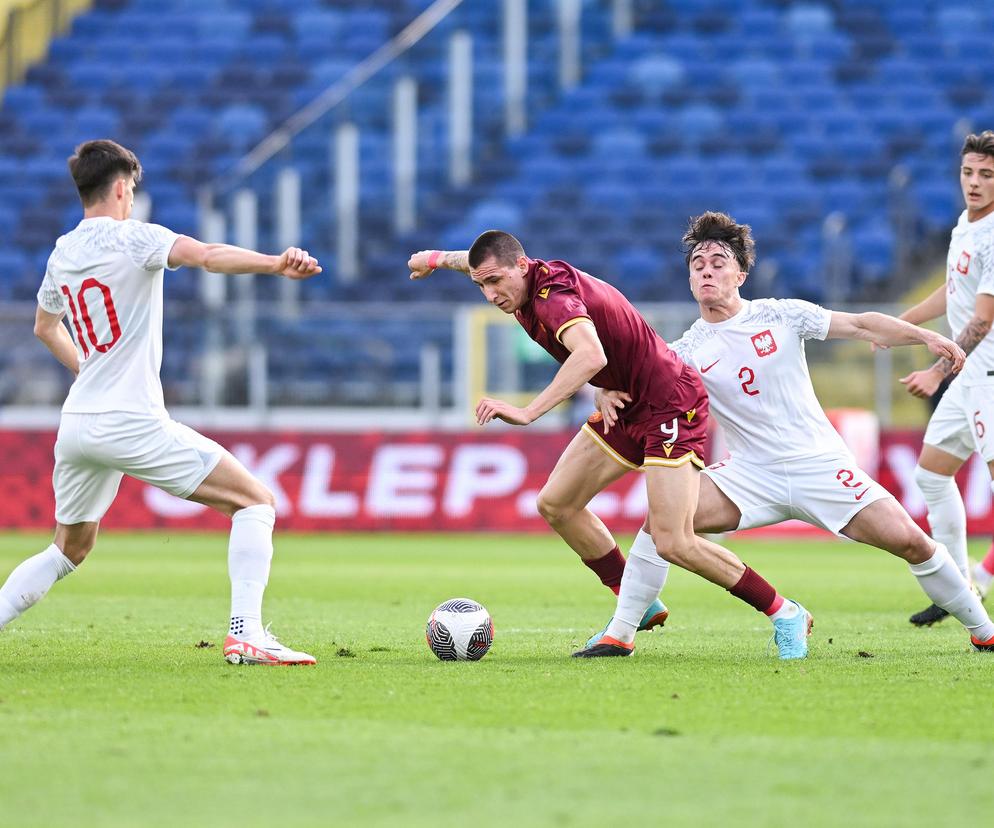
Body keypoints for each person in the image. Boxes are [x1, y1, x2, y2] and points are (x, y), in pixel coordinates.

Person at [588, 211, 994, 653]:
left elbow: (861, 324)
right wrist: (602, 391)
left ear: (741, 273)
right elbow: (628, 378)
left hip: (819, 465)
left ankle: (984, 632)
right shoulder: (684, 352)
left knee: (913, 543)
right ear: (689, 280)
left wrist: (925, 338)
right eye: (698, 264)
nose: (706, 269)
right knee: (662, 523)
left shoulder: (782, 315)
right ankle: (620, 634)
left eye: (718, 261)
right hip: (749, 474)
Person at [408, 231, 813, 659]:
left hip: (670, 403)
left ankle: (783, 611)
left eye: (495, 283)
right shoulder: (516, 273)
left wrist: (529, 411)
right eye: (481, 286)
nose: (491, 294)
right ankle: (633, 598)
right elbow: (473, 261)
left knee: (672, 541)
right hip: (625, 401)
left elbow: (590, 355)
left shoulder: (553, 298)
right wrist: (434, 259)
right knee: (556, 504)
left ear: (522, 267)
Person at [0, 140, 320, 665]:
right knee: (255, 502)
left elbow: (44, 327)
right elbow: (209, 257)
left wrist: (90, 371)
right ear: (123, 187)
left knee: (67, 550)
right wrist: (274, 264)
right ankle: (246, 634)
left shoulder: (62, 251)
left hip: (79, 422)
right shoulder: (137, 238)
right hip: (130, 419)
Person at [888, 131, 994, 627]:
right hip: (969, 376)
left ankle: (975, 582)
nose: (974, 183)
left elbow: (981, 319)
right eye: (968, 172)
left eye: (986, 175)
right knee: (931, 475)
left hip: (988, 376)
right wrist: (902, 328)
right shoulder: (963, 225)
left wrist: (936, 369)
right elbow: (951, 297)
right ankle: (958, 586)